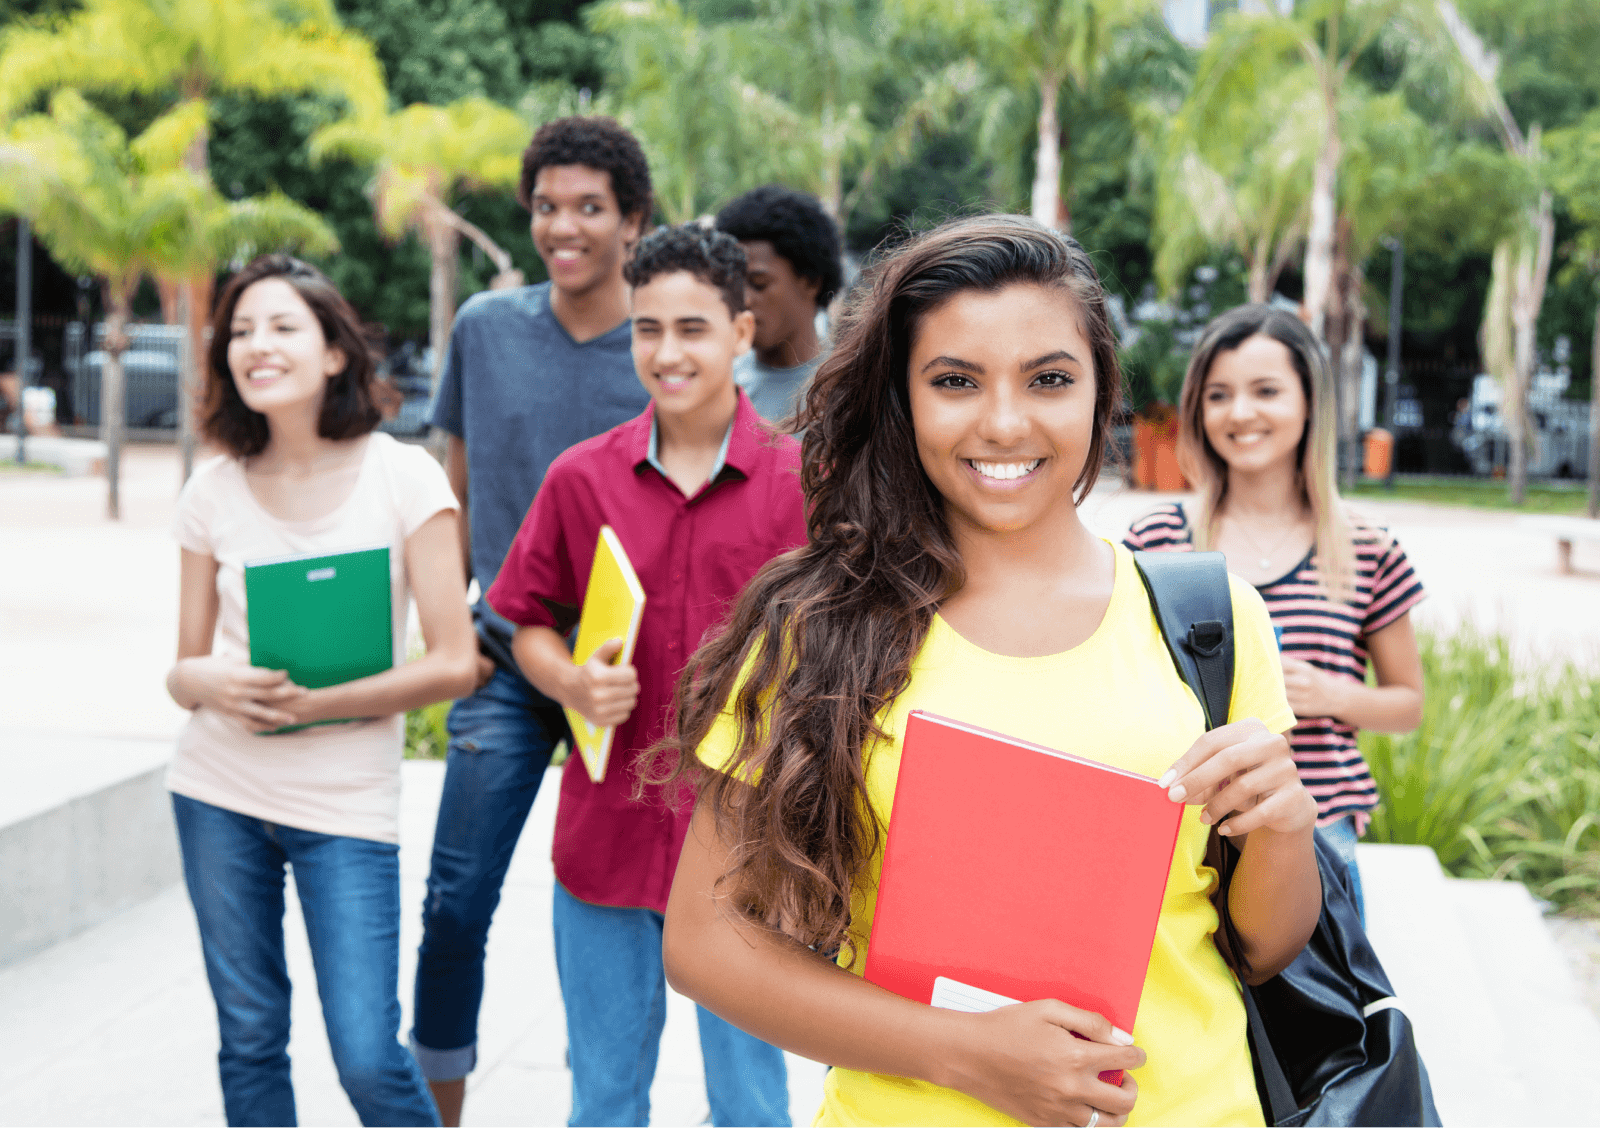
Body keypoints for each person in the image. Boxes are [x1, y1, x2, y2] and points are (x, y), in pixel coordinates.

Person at [655, 215, 1323, 1128]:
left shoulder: (1209, 622)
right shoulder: (818, 628)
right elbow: (705, 942)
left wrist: (1285, 829)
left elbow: (1262, 946)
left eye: (1049, 379)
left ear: (1100, 393)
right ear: (903, 402)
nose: (1005, 421)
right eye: (955, 382)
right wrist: (966, 1055)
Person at [485, 223, 803, 1128]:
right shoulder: (581, 480)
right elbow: (527, 621)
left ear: (741, 333)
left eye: (693, 329)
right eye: (646, 328)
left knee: (752, 1108)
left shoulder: (801, 482)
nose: (667, 353)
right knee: (604, 1100)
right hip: (606, 841)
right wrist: (572, 680)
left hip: (747, 849)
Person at [165, 254, 478, 1128]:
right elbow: (181, 671)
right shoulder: (211, 489)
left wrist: (317, 704)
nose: (256, 346)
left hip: (345, 805)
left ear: (335, 352)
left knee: (370, 1058)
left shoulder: (402, 476)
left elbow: (455, 659)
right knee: (251, 1036)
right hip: (217, 790)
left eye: (281, 326)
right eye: (240, 332)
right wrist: (213, 682)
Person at [411, 115, 656, 1125]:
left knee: (610, 910)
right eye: (548, 207)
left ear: (633, 223)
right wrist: (451, 623)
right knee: (456, 901)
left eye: (589, 208)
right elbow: (447, 485)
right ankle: (438, 1110)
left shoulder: (662, 343)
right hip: (507, 659)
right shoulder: (484, 326)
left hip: (631, 671)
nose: (564, 226)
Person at [1123, 304, 1426, 917]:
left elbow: (1408, 705)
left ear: (1309, 402)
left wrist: (1332, 695)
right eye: (1218, 394)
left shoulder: (1366, 548)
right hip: (1186, 835)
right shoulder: (1157, 539)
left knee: (1322, 1015)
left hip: (1321, 841)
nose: (1240, 413)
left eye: (1266, 391)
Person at [714, 183, 843, 423]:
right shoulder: (717, 389)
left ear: (811, 281)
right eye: (731, 283)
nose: (742, 299)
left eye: (759, 283)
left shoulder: (849, 392)